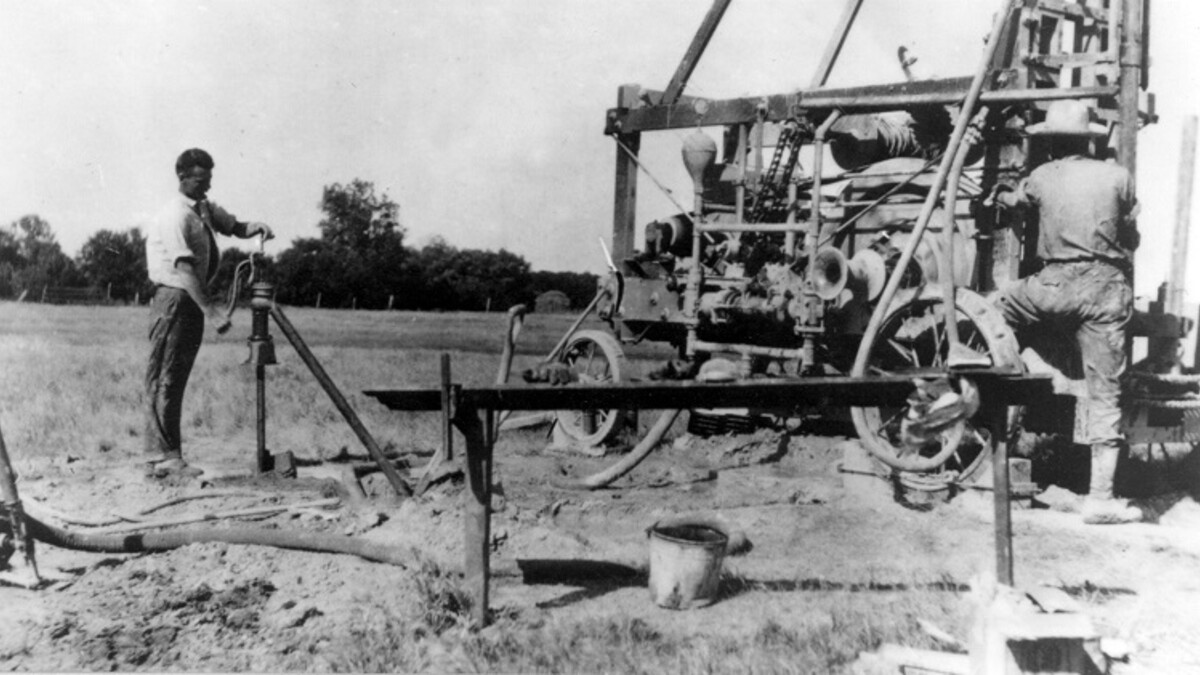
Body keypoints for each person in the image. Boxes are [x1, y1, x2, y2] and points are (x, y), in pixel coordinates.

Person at [990, 100, 1141, 524]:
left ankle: (1000, 375)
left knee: (994, 308)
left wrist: (998, 194)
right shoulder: (1118, 177)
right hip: (1106, 293)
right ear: (1091, 138)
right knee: (1105, 393)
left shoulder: (1041, 176)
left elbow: (1015, 204)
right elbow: (1132, 236)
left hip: (1053, 287)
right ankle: (1101, 500)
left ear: (1052, 140)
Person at [144, 148, 273, 478]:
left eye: (209, 180)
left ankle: (169, 455)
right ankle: (163, 459)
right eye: (201, 181)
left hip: (189, 301)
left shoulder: (202, 208)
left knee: (177, 378)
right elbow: (184, 269)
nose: (207, 187)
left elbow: (232, 226)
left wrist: (254, 227)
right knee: (164, 378)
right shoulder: (175, 215)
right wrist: (211, 311)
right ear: (183, 177)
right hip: (174, 299)